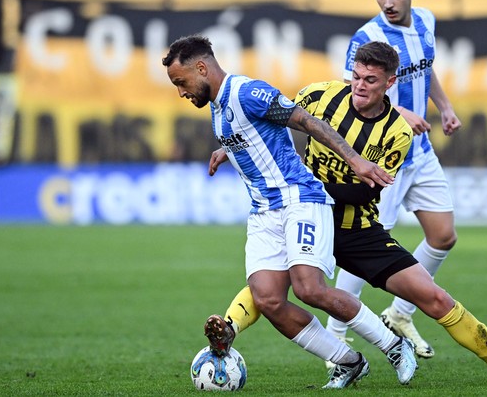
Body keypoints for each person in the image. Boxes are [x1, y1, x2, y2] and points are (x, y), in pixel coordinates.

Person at [205, 41, 487, 385]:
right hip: (302, 212)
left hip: (354, 228)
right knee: (269, 287)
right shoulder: (319, 96)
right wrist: (231, 149)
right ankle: (230, 329)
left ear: (390, 83)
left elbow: (364, 192)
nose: (359, 86)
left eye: (370, 80)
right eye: (356, 76)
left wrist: (303, 188)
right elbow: (270, 122)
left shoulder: (397, 133)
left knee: (433, 297)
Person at [162, 35, 417, 389]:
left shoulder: (249, 92)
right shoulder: (218, 109)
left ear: (201, 68)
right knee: (268, 300)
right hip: (264, 211)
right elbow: (249, 136)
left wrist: (355, 159)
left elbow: (310, 123)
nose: (181, 92)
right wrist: (227, 151)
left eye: (181, 82)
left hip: (300, 198)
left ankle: (393, 346)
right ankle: (348, 361)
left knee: (309, 289)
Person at [327, 0, 462, 359]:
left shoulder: (427, 22)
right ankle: (337, 338)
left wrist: (445, 107)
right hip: (383, 157)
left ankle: (401, 313)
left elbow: (426, 69)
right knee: (359, 252)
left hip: (420, 153)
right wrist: (400, 111)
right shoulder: (367, 36)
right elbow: (353, 91)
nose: (388, 2)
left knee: (443, 236)